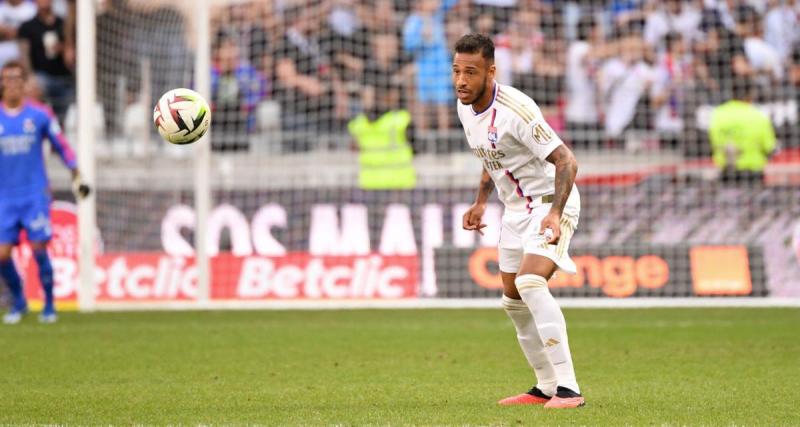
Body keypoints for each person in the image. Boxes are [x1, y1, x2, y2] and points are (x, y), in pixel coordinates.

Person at [452, 34, 584, 409]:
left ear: (491, 71)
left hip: (550, 203)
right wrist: (480, 202)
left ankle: (570, 388)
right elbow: (491, 156)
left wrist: (555, 214)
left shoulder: (517, 110)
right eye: (457, 71)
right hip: (515, 211)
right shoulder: (465, 107)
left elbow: (567, 161)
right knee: (512, 302)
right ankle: (544, 385)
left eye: (471, 72)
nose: (461, 80)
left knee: (530, 282)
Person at [0, 60, 89, 324]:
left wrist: (76, 172)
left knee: (39, 246)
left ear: (25, 83)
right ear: (2, 82)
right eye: (8, 78)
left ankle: (49, 304)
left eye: (18, 78)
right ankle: (19, 301)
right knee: (2, 254)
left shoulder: (39, 115)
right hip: (5, 197)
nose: (13, 83)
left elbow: (61, 145)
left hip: (34, 194)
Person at [707, 79, 776, 184]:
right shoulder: (757, 115)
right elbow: (769, 147)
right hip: (752, 174)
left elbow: (713, 141)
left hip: (726, 173)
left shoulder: (718, 113)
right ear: (750, 95)